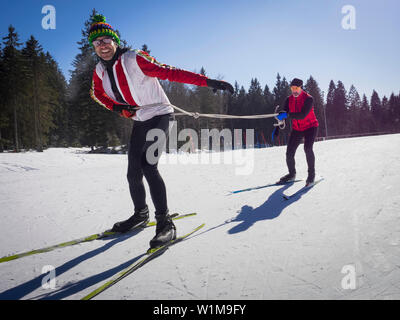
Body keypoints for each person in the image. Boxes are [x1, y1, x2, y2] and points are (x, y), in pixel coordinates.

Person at [88, 14, 234, 249]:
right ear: (93, 47)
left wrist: (209, 82)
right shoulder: (99, 71)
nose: (103, 46)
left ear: (114, 41)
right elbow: (98, 94)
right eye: (97, 43)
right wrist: (119, 108)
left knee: (149, 165)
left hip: (161, 114)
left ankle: (165, 223)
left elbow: (170, 72)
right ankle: (140, 214)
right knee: (133, 172)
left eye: (106, 40)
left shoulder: (134, 58)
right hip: (140, 119)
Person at [275, 78, 319, 186]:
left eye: (296, 88)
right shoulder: (288, 100)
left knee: (307, 148)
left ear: (301, 88)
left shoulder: (308, 99)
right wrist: (277, 127)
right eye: (292, 88)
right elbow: (283, 115)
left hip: (310, 127)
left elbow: (302, 114)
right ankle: (291, 174)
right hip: (297, 129)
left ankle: (311, 174)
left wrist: (287, 115)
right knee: (289, 152)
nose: (294, 90)